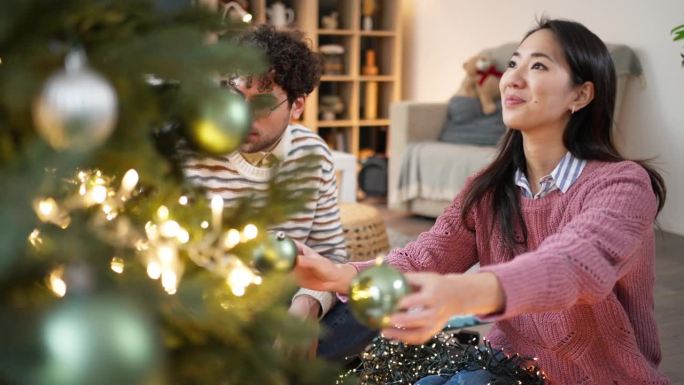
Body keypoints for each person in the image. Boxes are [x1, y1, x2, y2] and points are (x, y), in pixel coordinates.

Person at [293, 18, 670, 384]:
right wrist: (338, 275)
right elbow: (427, 256)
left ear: (581, 94)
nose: (512, 79)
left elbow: (575, 264)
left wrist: (459, 294)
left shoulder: (622, 185)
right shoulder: (489, 188)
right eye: (512, 64)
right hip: (508, 367)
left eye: (538, 65)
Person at [183, 25, 347, 327]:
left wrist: (307, 306)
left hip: (283, 302)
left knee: (368, 303)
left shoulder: (312, 154)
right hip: (210, 303)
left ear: (297, 105)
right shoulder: (194, 152)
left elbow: (331, 255)